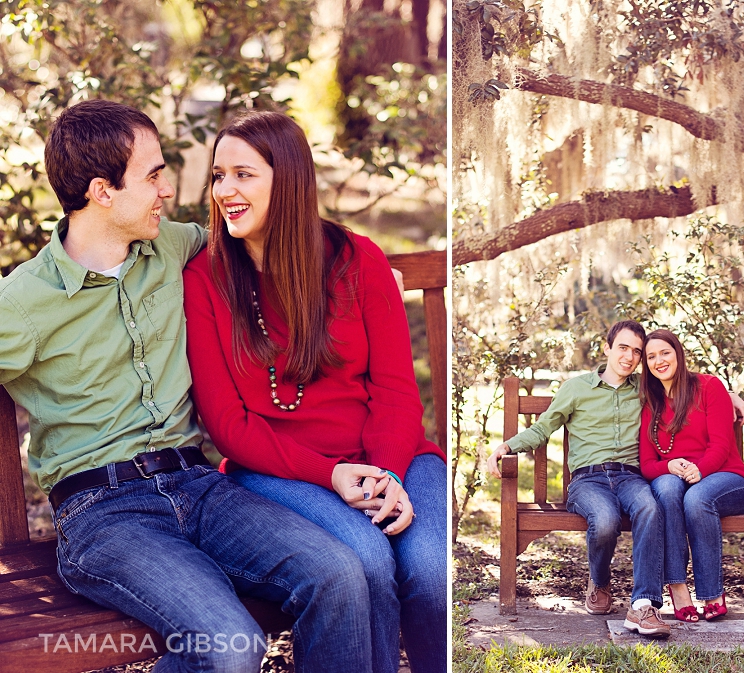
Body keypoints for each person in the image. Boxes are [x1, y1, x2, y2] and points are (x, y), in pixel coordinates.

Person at [0, 99, 374, 673]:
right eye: (152, 176)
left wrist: (346, 265)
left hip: (197, 485)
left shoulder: (172, 247)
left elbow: (262, 234)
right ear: (103, 191)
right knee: (232, 644)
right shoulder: (25, 300)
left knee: (340, 574)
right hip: (103, 514)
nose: (166, 190)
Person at [182, 111, 447, 673]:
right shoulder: (206, 279)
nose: (226, 190)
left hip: (390, 458)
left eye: (243, 175)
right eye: (218, 176)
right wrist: (330, 475)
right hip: (280, 469)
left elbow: (398, 392)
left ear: (290, 180)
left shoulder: (357, 260)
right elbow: (227, 425)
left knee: (432, 571)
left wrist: (389, 473)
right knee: (368, 562)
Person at [487, 320, 744, 638]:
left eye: (637, 352)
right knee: (605, 519)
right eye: (623, 348)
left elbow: (683, 383)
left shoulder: (643, 390)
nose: (629, 356)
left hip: (629, 478)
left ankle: (643, 606)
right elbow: (543, 428)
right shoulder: (576, 388)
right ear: (607, 348)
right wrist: (507, 446)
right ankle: (599, 580)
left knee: (650, 508)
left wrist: (729, 394)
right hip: (587, 480)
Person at [639, 329, 744, 622]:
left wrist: (699, 468)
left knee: (697, 497)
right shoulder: (650, 401)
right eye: (651, 356)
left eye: (665, 352)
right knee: (666, 489)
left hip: (726, 478)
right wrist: (668, 467)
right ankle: (677, 587)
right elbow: (647, 464)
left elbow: (721, 445)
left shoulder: (708, 386)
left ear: (678, 353)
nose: (659, 361)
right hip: (677, 480)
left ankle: (712, 593)